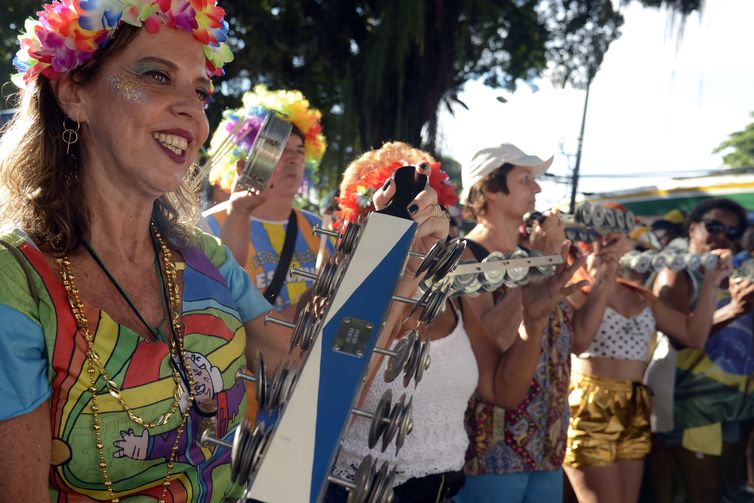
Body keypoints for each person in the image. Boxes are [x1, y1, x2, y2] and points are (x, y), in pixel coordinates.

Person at [0, 2, 447, 500]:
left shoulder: (206, 259)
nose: (192, 111)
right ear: (73, 93)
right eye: (156, 75)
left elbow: (319, 390)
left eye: (200, 90)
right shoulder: (14, 279)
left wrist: (390, 267)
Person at [325, 142, 583, 503]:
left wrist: (534, 320)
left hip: (444, 491)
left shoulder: (451, 298)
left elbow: (500, 390)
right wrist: (393, 284)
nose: (421, 224)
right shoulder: (344, 298)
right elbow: (332, 405)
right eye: (406, 210)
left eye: (433, 210)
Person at [449, 143, 623, 503]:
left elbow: (577, 341)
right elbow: (485, 343)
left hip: (547, 444)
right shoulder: (467, 255)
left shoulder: (537, 255)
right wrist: (537, 266)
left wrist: (605, 275)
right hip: (491, 449)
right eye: (525, 179)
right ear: (490, 189)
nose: (538, 190)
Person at [562, 204, 732, 503]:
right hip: (590, 402)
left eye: (620, 237)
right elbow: (578, 341)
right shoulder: (571, 288)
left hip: (635, 401)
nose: (615, 244)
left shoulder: (639, 294)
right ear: (585, 239)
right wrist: (602, 277)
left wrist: (710, 282)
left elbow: (694, 335)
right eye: (607, 236)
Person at [648, 198, 754, 503]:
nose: (722, 236)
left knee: (718, 490)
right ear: (692, 227)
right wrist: (734, 309)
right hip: (692, 406)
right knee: (703, 494)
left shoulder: (732, 273)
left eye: (732, 232)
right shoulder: (677, 273)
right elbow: (680, 337)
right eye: (715, 226)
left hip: (732, 404)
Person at [205, 85, 331, 313]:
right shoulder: (208, 225)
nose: (294, 158)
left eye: (300, 151)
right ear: (249, 158)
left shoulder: (320, 229)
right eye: (281, 149)